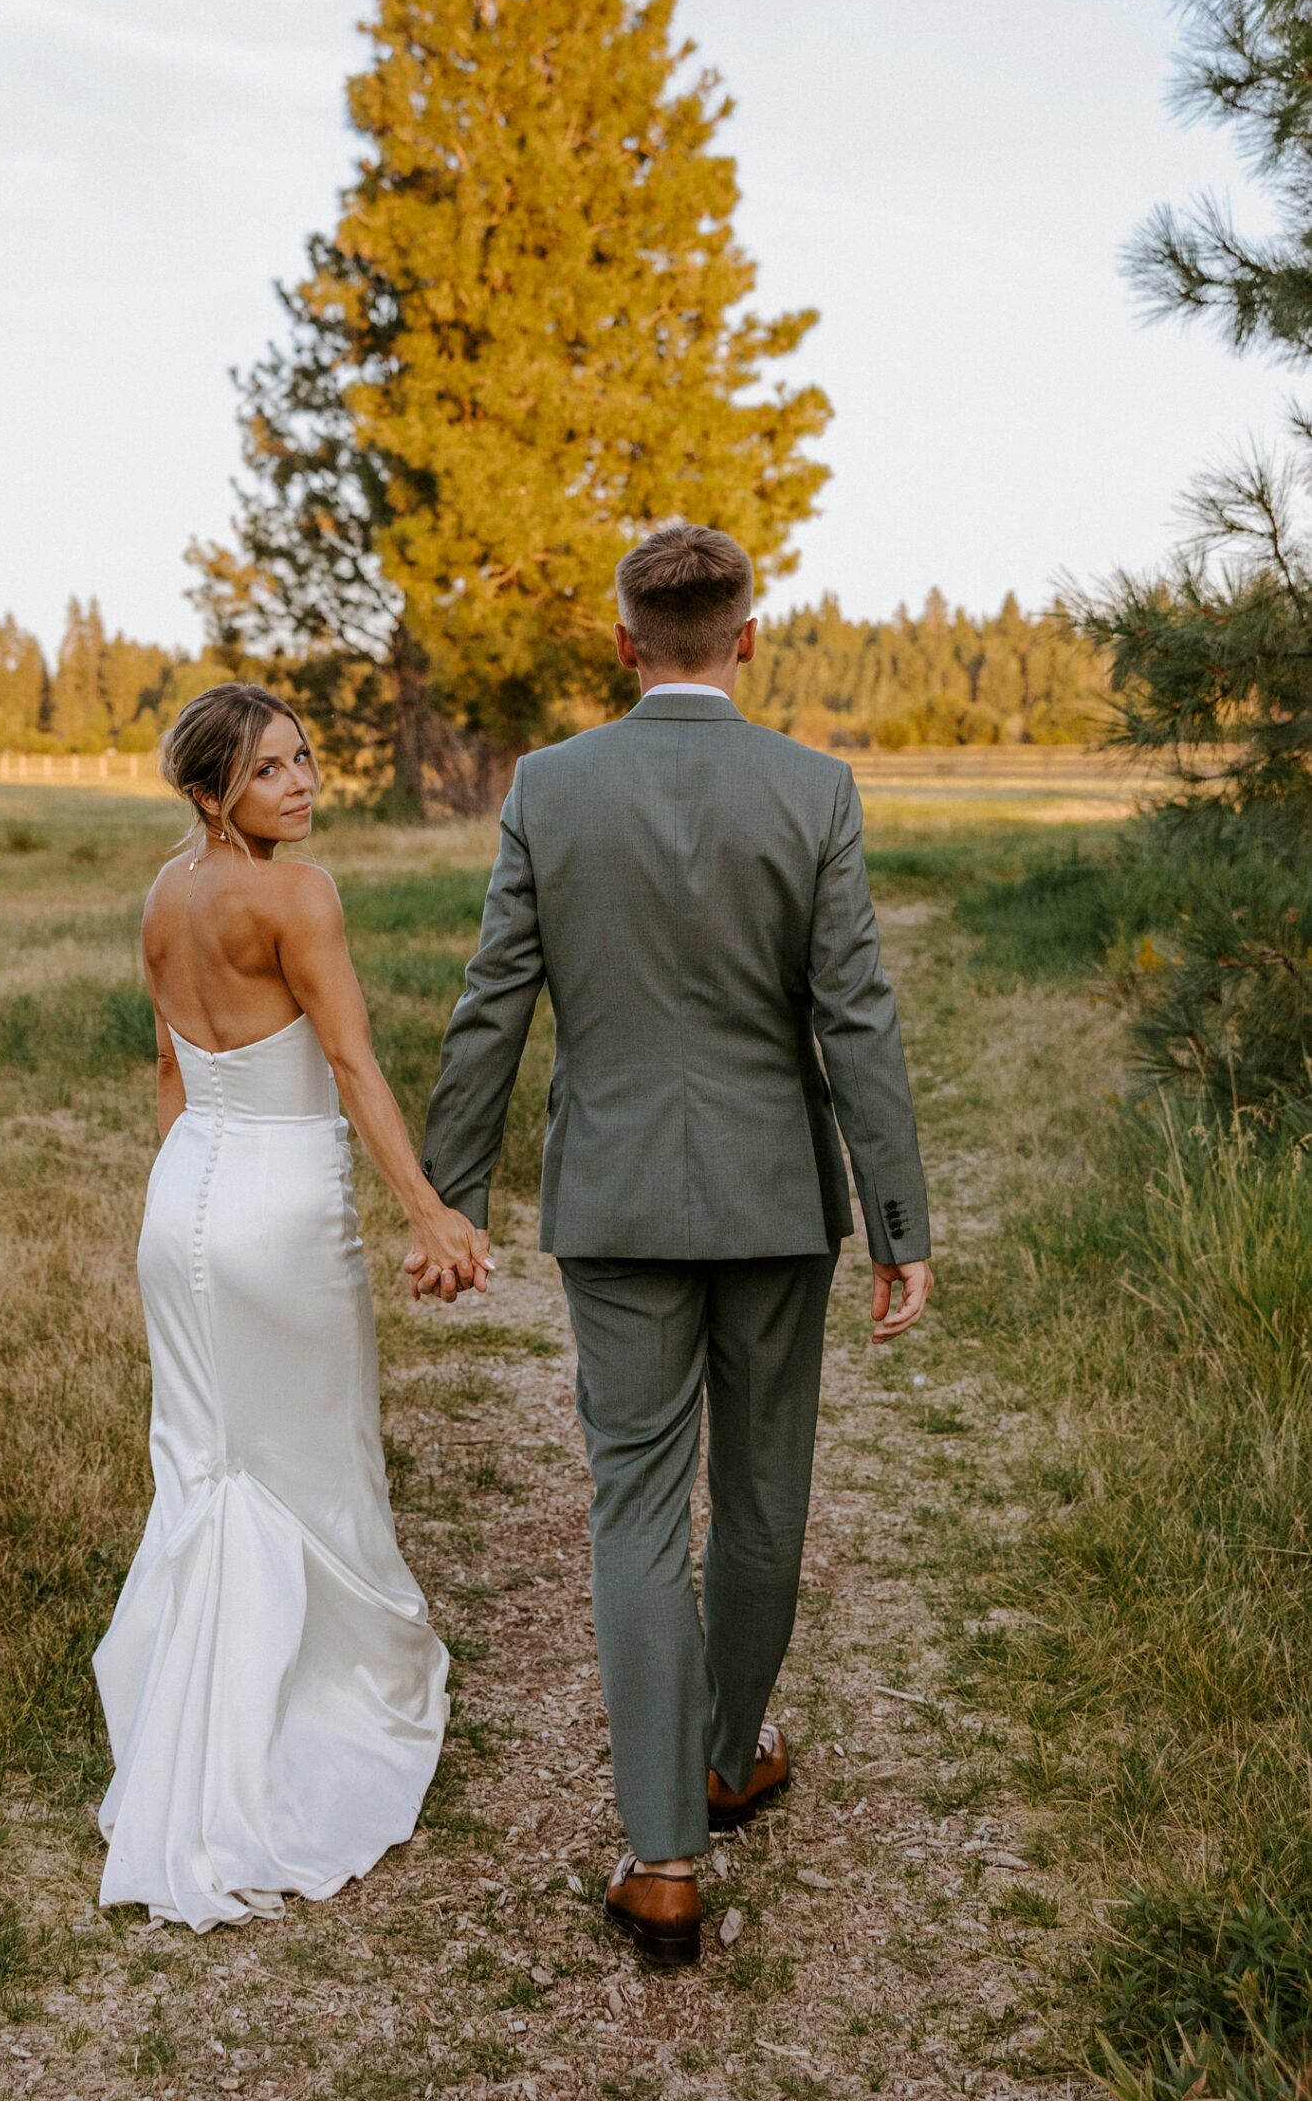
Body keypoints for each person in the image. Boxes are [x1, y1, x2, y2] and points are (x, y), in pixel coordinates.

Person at [418, 524, 932, 1968]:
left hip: (619, 1204)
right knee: (763, 1495)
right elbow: (857, 1018)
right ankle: (723, 1756)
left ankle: (660, 1862)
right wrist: (897, 1221)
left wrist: (448, 1190)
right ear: (748, 636)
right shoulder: (812, 787)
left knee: (635, 1507)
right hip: (776, 1205)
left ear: (623, 640)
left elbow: (490, 1001)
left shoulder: (549, 789)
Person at [92, 682, 482, 1932]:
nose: (302, 782)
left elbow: (169, 1067)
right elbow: (353, 1066)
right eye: (270, 771)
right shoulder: (299, 896)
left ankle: (183, 1729)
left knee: (208, 1468)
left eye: (304, 759)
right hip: (277, 1213)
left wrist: (181, 1196)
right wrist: (426, 1209)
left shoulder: (164, 895)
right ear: (214, 792)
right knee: (311, 1465)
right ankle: (303, 1732)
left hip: (184, 1198)